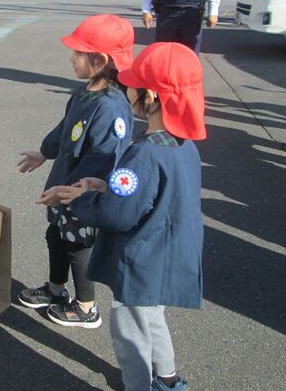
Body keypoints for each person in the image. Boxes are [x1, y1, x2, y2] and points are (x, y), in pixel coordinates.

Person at [45, 42, 206, 391]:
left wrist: (80, 199)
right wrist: (103, 186)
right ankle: (168, 380)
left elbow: (119, 214)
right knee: (153, 319)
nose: (126, 88)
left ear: (150, 96)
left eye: (133, 84)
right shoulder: (184, 145)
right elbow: (151, 195)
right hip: (169, 254)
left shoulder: (144, 154)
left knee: (130, 333)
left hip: (142, 262)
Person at [17, 14, 136, 329]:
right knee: (55, 234)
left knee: (78, 245)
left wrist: (75, 191)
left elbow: (105, 157)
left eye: (78, 53)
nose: (72, 58)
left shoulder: (111, 107)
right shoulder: (84, 94)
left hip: (81, 194)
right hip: (64, 185)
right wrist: (44, 152)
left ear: (99, 60)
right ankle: (56, 290)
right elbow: (64, 130)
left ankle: (86, 307)